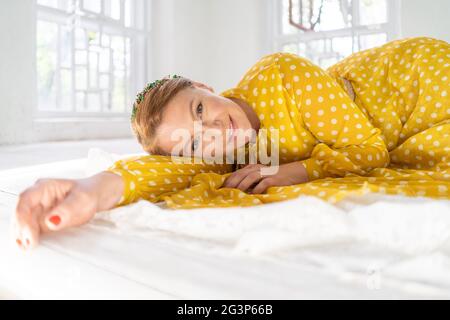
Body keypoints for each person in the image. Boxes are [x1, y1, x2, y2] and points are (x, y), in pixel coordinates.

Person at [13, 37, 450, 249]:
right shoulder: (224, 152)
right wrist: (92, 189)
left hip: (419, 80)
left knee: (401, 162)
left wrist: (297, 171)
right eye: (197, 142)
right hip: (403, 126)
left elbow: (371, 152)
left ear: (205, 87)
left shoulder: (279, 73)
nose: (217, 133)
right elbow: (171, 170)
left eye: (200, 110)